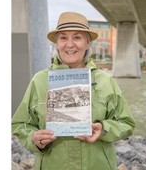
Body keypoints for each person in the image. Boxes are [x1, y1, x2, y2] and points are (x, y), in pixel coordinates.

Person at [12, 11, 135, 170]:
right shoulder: (40, 80)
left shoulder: (105, 81)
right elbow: (20, 124)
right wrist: (33, 138)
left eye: (77, 37)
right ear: (56, 43)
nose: (70, 44)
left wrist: (103, 128)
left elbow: (127, 123)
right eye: (63, 37)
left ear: (87, 42)